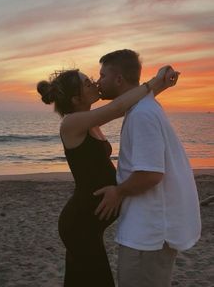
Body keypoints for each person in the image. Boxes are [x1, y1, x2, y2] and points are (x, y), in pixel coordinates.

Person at [36, 61, 178, 287]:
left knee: (78, 281)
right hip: (80, 224)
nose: (94, 83)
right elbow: (117, 108)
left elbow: (128, 104)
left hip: (89, 223)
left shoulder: (90, 119)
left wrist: (161, 86)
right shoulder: (72, 123)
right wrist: (152, 82)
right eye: (87, 82)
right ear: (76, 99)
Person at [94, 49, 201, 287]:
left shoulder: (142, 114)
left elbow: (151, 174)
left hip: (148, 234)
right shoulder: (143, 106)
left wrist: (118, 192)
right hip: (147, 230)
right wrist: (158, 82)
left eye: (102, 76)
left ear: (119, 79)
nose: (98, 82)